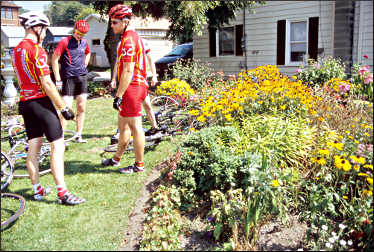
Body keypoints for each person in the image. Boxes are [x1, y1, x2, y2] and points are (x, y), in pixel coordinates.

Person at [12, 11, 85, 205]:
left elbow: (20, 80)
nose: (45, 34)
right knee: (58, 145)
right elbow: (46, 82)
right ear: (37, 28)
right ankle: (63, 193)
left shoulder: (16, 50)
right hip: (41, 102)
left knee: (33, 148)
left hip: (26, 103)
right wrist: (63, 108)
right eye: (44, 30)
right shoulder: (37, 50)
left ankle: (37, 190)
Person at [101, 4, 148, 174]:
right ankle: (116, 159)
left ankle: (139, 165)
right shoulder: (131, 36)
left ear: (125, 22)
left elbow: (128, 69)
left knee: (135, 127)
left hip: (133, 86)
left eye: (114, 22)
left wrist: (118, 95)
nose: (111, 25)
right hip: (134, 85)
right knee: (123, 125)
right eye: (111, 22)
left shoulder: (128, 40)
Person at [110, 38, 159, 144]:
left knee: (147, 104)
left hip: (140, 80)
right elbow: (118, 62)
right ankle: (120, 131)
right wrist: (113, 78)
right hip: (126, 80)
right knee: (123, 106)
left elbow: (150, 59)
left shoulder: (142, 42)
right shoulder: (121, 43)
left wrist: (154, 75)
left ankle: (154, 127)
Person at [51, 20, 91, 143]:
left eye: (82, 34)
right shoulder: (64, 42)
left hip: (82, 77)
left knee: (81, 107)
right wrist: (57, 79)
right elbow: (54, 60)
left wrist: (85, 64)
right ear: (74, 30)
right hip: (68, 78)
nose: (80, 36)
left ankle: (79, 134)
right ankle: (60, 138)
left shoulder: (84, 42)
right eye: (78, 33)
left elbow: (88, 53)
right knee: (65, 108)